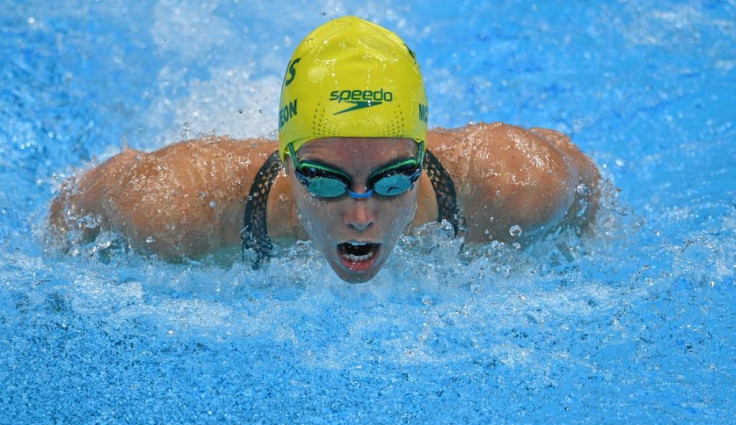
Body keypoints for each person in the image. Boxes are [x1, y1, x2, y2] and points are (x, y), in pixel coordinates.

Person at [48, 16, 600, 283]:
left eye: (392, 178)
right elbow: (71, 209)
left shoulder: (517, 183)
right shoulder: (178, 204)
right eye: (325, 179)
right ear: (285, 162)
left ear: (422, 156)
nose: (360, 215)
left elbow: (587, 191)